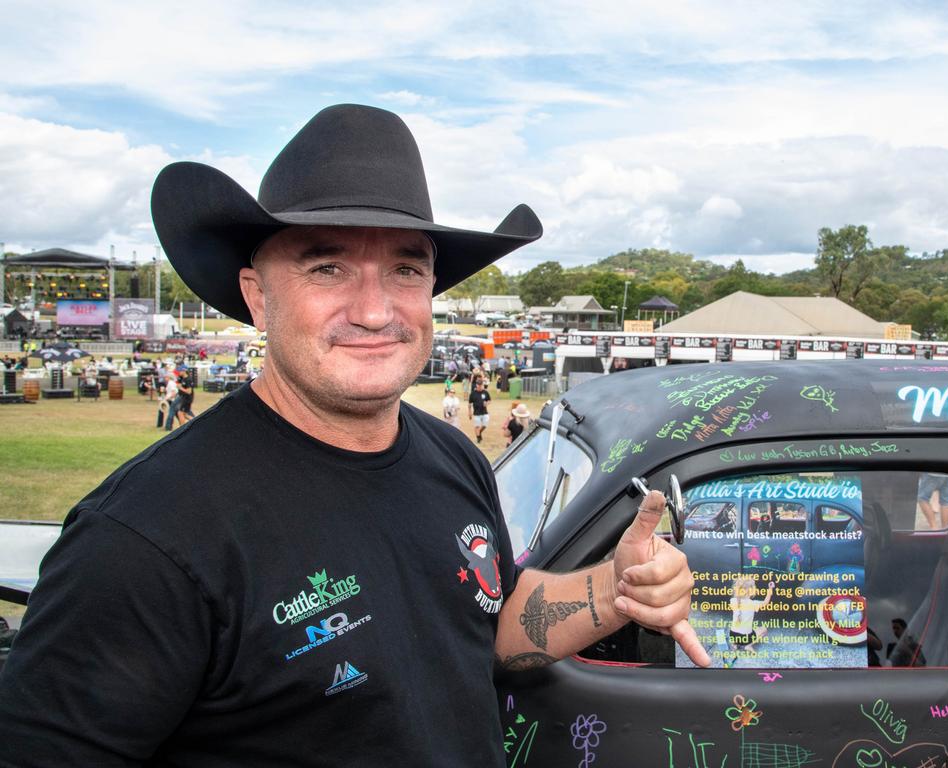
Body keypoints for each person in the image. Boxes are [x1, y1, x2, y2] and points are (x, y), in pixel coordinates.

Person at [0, 104, 707, 766]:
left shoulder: (453, 455)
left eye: (405, 268)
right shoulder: (145, 537)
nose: (374, 310)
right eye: (327, 267)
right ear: (256, 296)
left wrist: (613, 590)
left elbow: (487, 619)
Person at [468, 377, 492, 444]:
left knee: (485, 425)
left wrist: (487, 403)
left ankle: (480, 432)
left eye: (481, 385)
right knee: (477, 426)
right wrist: (469, 413)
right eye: (478, 385)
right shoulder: (473, 394)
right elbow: (469, 404)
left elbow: (489, 400)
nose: (480, 386)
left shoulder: (485, 392)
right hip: (476, 413)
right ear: (476, 385)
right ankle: (478, 437)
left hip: (484, 412)